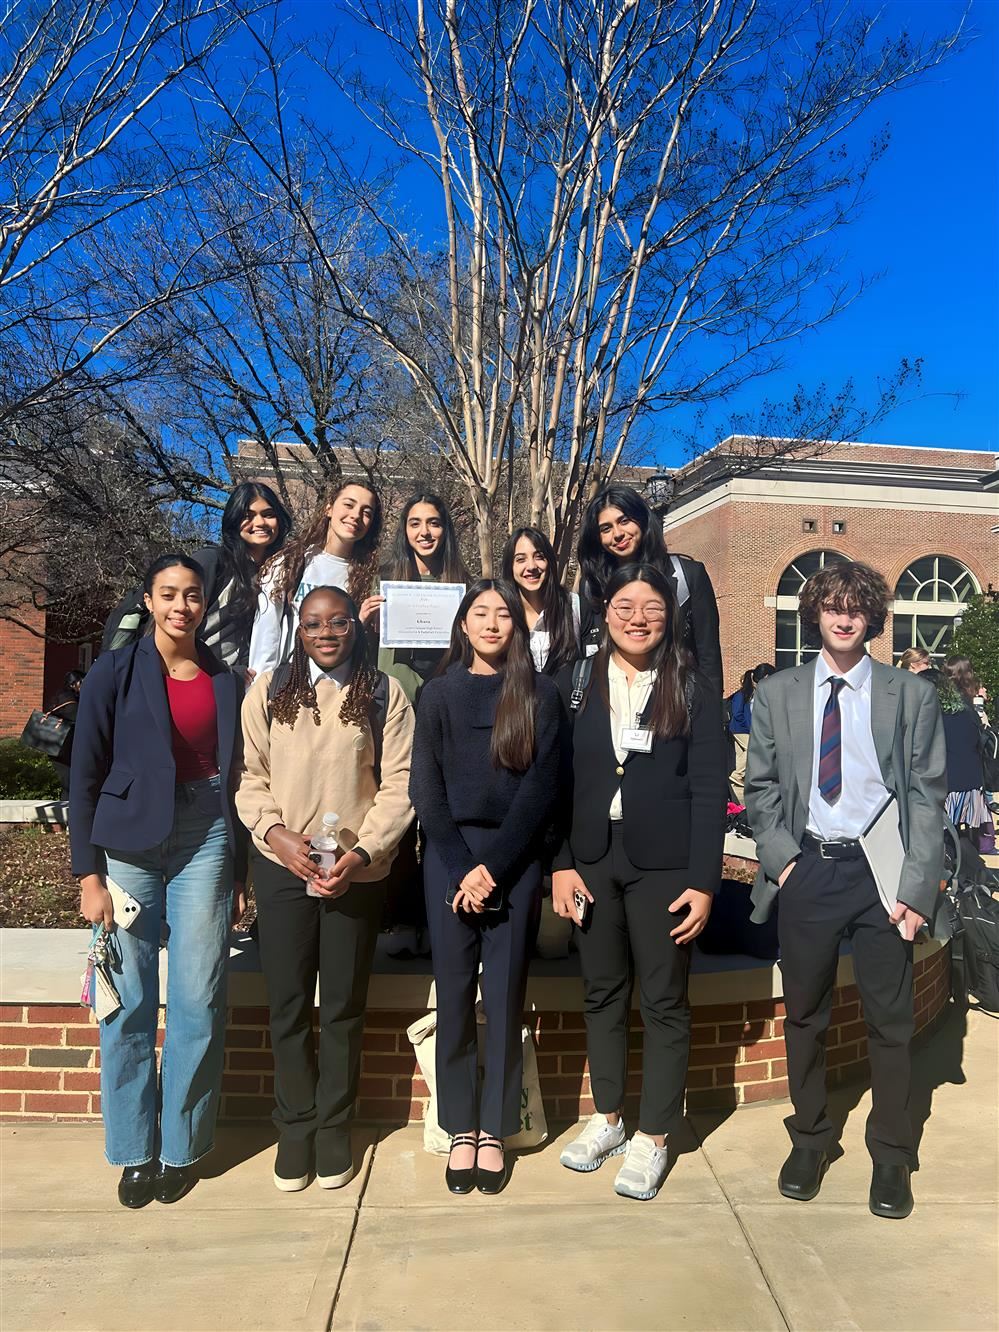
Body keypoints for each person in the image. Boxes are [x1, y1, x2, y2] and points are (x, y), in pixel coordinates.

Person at [745, 560, 946, 1221]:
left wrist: (916, 888)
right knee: (804, 1015)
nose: (843, 614)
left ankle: (890, 1153)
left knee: (888, 1023)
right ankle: (809, 1138)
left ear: (871, 618)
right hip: (809, 870)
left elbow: (924, 796)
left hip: (879, 874)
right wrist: (782, 863)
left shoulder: (907, 696)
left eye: (855, 605)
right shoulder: (777, 693)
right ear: (815, 613)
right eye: (831, 603)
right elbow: (761, 790)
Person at [70, 554, 246, 1209]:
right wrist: (88, 873)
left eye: (192, 595)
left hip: (207, 838)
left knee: (198, 999)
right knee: (130, 1002)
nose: (181, 606)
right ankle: (133, 1150)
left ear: (205, 604)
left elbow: (239, 776)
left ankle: (180, 1147)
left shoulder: (226, 678)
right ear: (148, 598)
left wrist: (240, 872)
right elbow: (83, 777)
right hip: (129, 848)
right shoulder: (113, 672)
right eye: (169, 594)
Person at [551, 563, 726, 1200]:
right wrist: (562, 860)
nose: (637, 617)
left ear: (669, 615)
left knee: (662, 1002)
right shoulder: (578, 681)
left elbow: (710, 792)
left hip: (666, 866)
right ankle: (610, 1119)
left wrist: (705, 880)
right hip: (594, 858)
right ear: (605, 612)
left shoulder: (693, 686)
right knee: (601, 994)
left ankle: (655, 1136)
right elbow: (560, 782)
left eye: (651, 606)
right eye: (625, 605)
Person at [237, 586, 415, 1191]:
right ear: (299, 629)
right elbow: (248, 776)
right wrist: (275, 833)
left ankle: (334, 1128)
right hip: (283, 868)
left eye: (338, 621)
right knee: (288, 1005)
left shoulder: (382, 693)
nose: (326, 632)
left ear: (354, 627)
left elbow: (400, 785)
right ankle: (295, 1127)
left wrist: (363, 851)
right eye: (313, 623)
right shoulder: (269, 690)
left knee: (341, 1007)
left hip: (354, 871)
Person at [409, 580, 561, 1196]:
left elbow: (540, 793)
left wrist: (493, 869)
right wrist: (459, 865)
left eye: (503, 614)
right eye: (481, 613)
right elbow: (426, 787)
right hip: (449, 859)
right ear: (463, 625)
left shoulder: (540, 695)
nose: (493, 623)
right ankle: (459, 1125)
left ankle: (495, 1128)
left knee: (502, 998)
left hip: (513, 859)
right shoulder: (438, 695)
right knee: (453, 998)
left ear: (516, 627)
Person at [102, 481, 292, 671]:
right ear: (234, 521)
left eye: (268, 515)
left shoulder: (280, 573)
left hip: (235, 686)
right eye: (248, 516)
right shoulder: (211, 561)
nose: (260, 523)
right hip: (182, 677)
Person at [576, 484, 722, 696]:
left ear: (643, 520)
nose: (617, 534)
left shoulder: (688, 575)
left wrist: (712, 717)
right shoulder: (592, 586)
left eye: (624, 521)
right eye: (606, 528)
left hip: (675, 700)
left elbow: (708, 656)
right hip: (615, 700)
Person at [249, 480, 383, 676]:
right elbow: (267, 629)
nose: (356, 515)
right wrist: (263, 684)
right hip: (288, 684)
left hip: (339, 689)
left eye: (366, 512)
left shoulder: (370, 577)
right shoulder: (291, 562)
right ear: (329, 507)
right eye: (349, 504)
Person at [377, 492, 471, 702]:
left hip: (445, 699)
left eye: (434, 523)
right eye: (415, 524)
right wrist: (364, 621)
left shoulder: (464, 585)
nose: (424, 532)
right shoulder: (383, 581)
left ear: (445, 530)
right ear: (405, 530)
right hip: (392, 701)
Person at [501, 526, 580, 675]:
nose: (531, 566)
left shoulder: (574, 607)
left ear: (549, 562)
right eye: (520, 559)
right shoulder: (501, 612)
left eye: (539, 557)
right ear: (510, 567)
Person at [934, 657, 990, 846]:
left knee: (948, 835)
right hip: (969, 777)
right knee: (968, 833)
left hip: (947, 777)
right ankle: (968, 869)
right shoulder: (968, 706)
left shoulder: (938, 702)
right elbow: (979, 740)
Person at [727, 663, 776, 802]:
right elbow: (738, 715)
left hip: (746, 729)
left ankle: (739, 798)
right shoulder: (742, 694)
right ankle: (736, 776)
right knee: (751, 750)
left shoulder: (755, 694)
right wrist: (750, 730)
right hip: (739, 729)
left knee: (741, 757)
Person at [46, 669, 85, 798]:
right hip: (64, 749)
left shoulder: (60, 697)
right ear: (73, 684)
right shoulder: (71, 702)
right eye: (82, 682)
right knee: (70, 785)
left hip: (56, 747)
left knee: (68, 784)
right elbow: (81, 722)